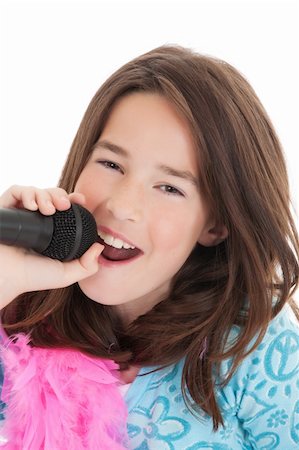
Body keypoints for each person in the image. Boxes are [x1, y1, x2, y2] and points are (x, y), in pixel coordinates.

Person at [0, 44, 298, 449]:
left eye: (169, 187)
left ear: (216, 225)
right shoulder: (18, 325)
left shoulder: (260, 356)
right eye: (111, 164)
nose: (122, 205)